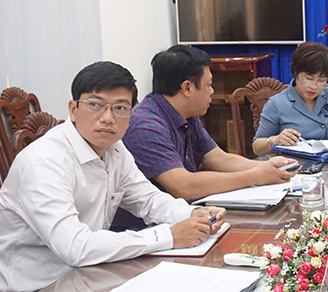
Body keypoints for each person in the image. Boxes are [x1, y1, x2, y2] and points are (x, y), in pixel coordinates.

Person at [0, 62, 226, 291]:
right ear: (73, 109)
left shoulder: (114, 149)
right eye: (95, 105)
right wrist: (168, 236)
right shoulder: (44, 162)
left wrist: (191, 214)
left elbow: (148, 199)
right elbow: (75, 247)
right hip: (39, 285)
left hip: (92, 274)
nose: (108, 118)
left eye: (120, 108)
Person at [120, 45, 297, 209]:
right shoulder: (145, 125)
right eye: (208, 85)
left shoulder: (187, 114)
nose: (212, 91)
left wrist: (267, 167)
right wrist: (256, 176)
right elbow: (183, 187)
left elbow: (218, 159)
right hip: (147, 227)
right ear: (187, 88)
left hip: (183, 215)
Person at [252, 42, 328, 156]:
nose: (314, 86)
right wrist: (274, 140)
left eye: (321, 81)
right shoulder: (276, 104)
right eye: (309, 79)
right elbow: (257, 147)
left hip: (326, 162)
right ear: (296, 72)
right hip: (291, 163)